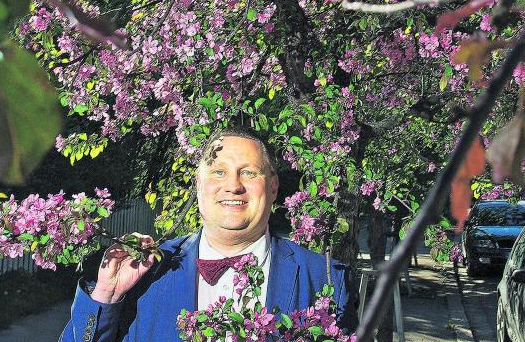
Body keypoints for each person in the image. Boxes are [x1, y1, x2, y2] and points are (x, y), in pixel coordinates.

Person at [60, 128, 357, 342]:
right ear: (199, 185)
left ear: (274, 187)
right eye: (218, 172)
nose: (233, 186)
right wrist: (107, 296)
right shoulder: (147, 273)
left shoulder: (326, 279)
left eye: (249, 173)